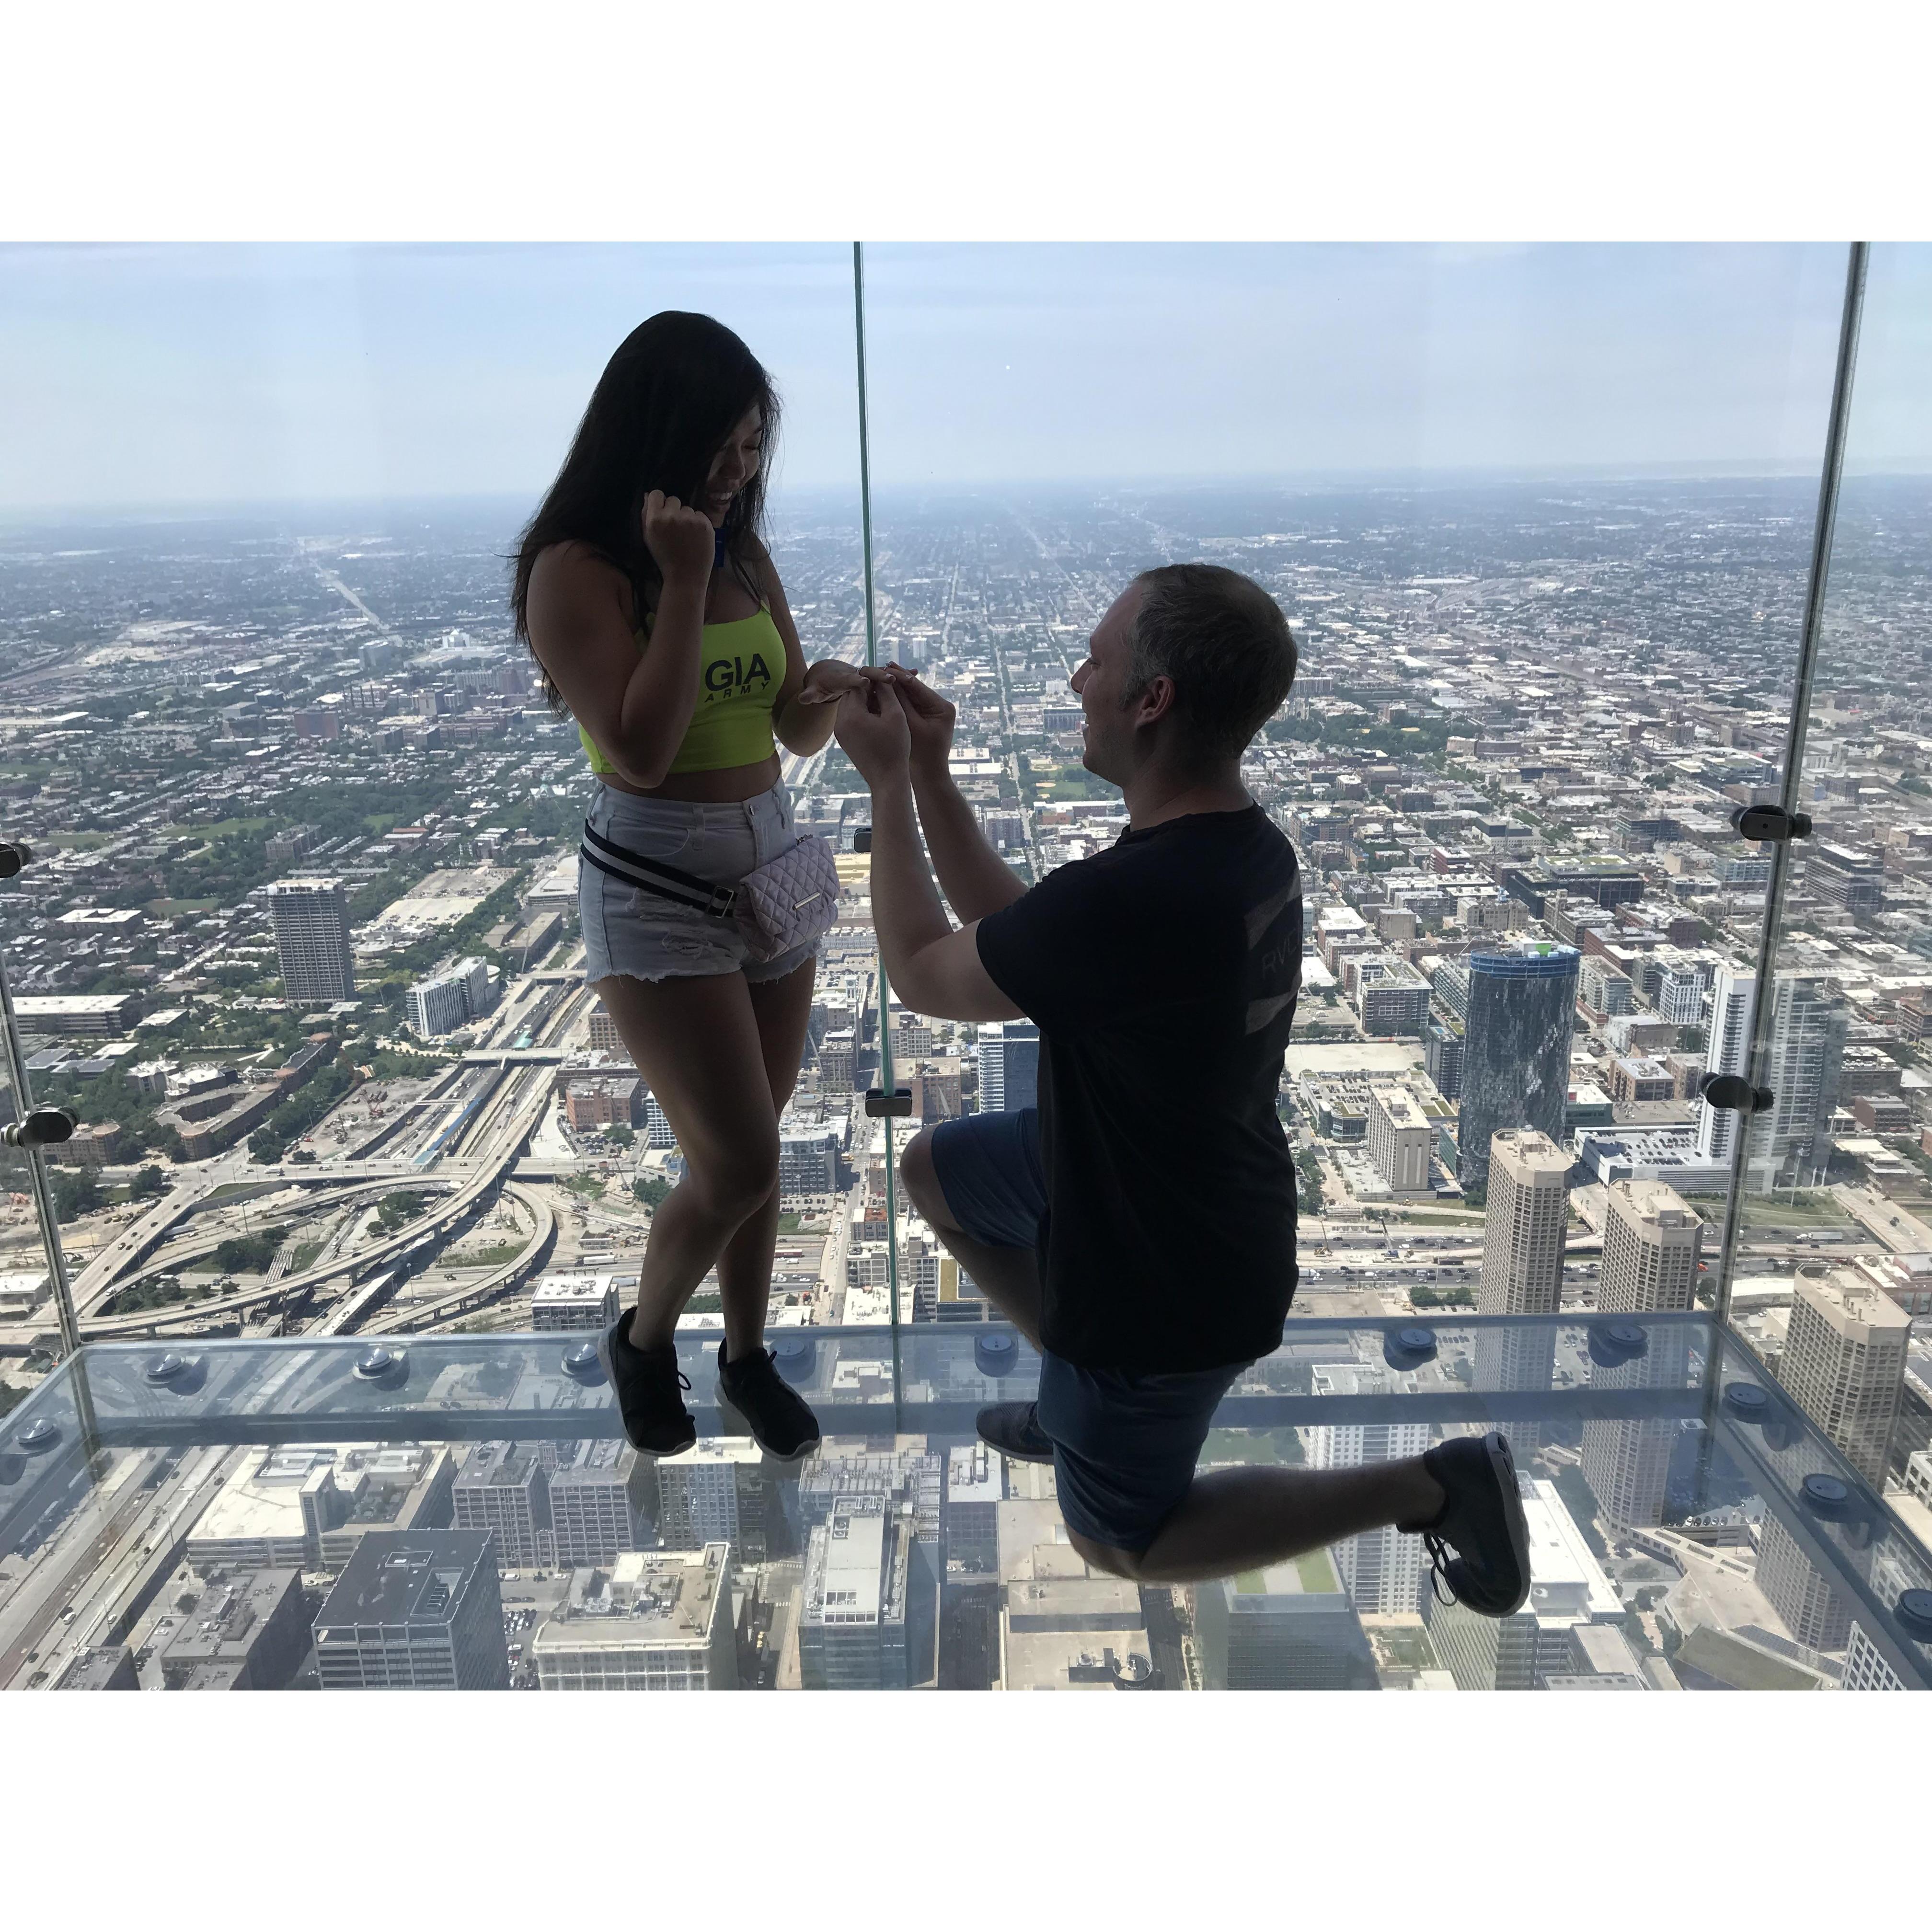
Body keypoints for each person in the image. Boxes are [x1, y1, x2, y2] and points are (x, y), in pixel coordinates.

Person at [831, 563, 1531, 1611]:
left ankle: (1431, 1485)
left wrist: (885, 785)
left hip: (1161, 1280)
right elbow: (1026, 947)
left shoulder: (1138, 896)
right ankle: (1074, 1395)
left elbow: (926, 970)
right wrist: (932, 772)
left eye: (1097, 662)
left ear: (1151, 701)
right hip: (1176, 1191)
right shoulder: (1235, 851)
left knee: (1126, 1545)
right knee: (936, 1171)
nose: (1077, 680)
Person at [513, 311, 874, 1463]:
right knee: (742, 1161)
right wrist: (674, 582)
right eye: (716, 446)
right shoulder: (581, 571)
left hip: (769, 862)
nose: (736, 471)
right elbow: (642, 750)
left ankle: (748, 1354)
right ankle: (646, 1335)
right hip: (657, 878)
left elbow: (784, 728)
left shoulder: (744, 554)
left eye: (753, 445)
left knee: (755, 1146)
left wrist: (829, 694)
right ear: (650, 435)